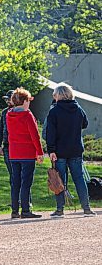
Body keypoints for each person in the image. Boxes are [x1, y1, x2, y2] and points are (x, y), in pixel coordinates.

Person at [46, 83, 96, 218]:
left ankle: (60, 209)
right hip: (75, 150)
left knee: (60, 180)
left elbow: (50, 132)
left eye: (55, 95)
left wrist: (50, 150)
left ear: (59, 95)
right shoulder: (78, 108)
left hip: (59, 151)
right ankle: (86, 208)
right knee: (79, 179)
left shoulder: (54, 111)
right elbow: (85, 124)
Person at [6, 87, 43, 219]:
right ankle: (26, 210)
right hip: (27, 153)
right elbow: (35, 135)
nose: (29, 103)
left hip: (14, 153)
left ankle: (15, 210)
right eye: (28, 100)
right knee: (26, 183)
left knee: (15, 182)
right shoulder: (27, 115)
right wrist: (40, 152)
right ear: (24, 101)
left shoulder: (9, 114)